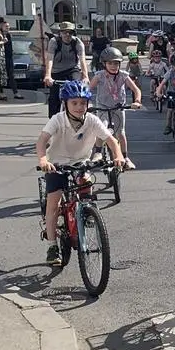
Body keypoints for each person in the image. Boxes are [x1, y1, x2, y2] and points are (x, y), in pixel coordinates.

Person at [36, 80, 126, 266]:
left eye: (83, 103)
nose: (79, 107)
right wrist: (43, 160)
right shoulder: (58, 120)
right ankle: (52, 246)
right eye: (74, 103)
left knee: (86, 181)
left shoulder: (92, 120)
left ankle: (86, 212)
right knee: (54, 203)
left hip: (80, 161)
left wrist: (118, 156)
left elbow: (111, 140)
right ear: (65, 103)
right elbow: (42, 140)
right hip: (57, 163)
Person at [89, 47, 143, 158]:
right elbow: (88, 89)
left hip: (119, 107)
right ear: (104, 64)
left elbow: (136, 90)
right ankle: (98, 152)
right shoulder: (99, 75)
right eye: (110, 63)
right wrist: (86, 103)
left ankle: (125, 157)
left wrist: (137, 101)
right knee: (102, 128)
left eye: (116, 63)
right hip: (103, 107)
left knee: (120, 133)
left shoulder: (123, 75)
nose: (113, 66)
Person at [42, 22, 89, 118]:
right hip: (56, 71)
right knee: (54, 97)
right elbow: (50, 59)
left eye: (70, 33)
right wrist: (48, 75)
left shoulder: (77, 43)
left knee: (76, 91)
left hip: (72, 69)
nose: (67, 35)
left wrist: (85, 76)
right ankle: (53, 120)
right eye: (64, 32)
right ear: (60, 33)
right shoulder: (54, 42)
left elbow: (82, 59)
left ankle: (76, 116)